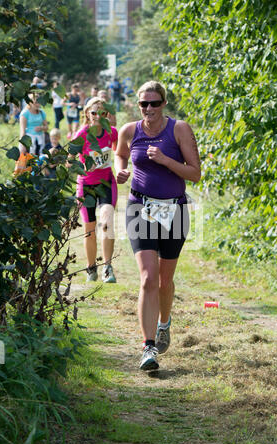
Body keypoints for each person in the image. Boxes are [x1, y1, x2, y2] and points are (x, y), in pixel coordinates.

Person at [115, 81, 201, 371]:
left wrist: (165, 160)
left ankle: (164, 323)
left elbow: (195, 173)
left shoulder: (179, 129)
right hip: (140, 208)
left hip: (174, 210)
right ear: (138, 105)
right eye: (143, 104)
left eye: (154, 103)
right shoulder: (130, 130)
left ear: (164, 103)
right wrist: (120, 171)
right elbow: (120, 154)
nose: (149, 109)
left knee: (164, 280)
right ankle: (148, 348)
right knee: (148, 279)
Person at [67, 97, 118, 283]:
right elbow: (69, 160)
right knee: (90, 229)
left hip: (106, 183)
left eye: (102, 113)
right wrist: (82, 167)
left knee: (107, 221)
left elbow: (119, 153)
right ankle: (91, 269)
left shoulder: (112, 133)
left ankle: (107, 267)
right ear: (87, 114)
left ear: (107, 115)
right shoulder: (82, 134)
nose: (97, 116)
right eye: (94, 112)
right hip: (86, 185)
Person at [19, 92, 48, 157]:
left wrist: (41, 128)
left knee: (40, 157)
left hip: (40, 139)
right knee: (30, 158)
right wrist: (22, 145)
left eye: (39, 103)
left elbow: (46, 127)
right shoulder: (25, 113)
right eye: (35, 103)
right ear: (30, 102)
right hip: (29, 140)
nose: (38, 105)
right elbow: (22, 131)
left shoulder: (41, 112)